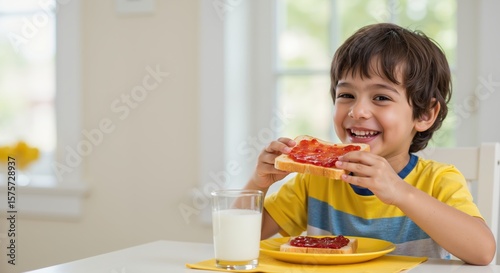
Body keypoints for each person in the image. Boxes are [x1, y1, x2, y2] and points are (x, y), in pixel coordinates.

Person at [243, 23, 496, 265]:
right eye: (346, 95)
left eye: (381, 97)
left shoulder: (439, 181)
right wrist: (258, 183)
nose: (358, 111)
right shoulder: (313, 183)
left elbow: (483, 252)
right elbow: (242, 239)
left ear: (424, 115)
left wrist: (400, 192)